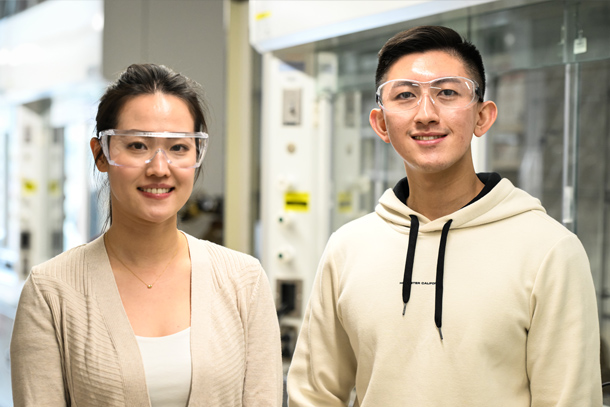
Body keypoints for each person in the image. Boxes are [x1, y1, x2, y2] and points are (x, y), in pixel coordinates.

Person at [287, 26, 601, 406]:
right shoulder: (348, 248)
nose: (426, 114)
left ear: (482, 117)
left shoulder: (550, 250)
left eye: (447, 93)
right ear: (381, 124)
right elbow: (313, 394)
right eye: (405, 95)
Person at [11, 63, 283, 407]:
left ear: (197, 154)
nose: (158, 168)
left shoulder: (243, 280)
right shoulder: (52, 291)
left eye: (179, 148)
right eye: (138, 146)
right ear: (101, 154)